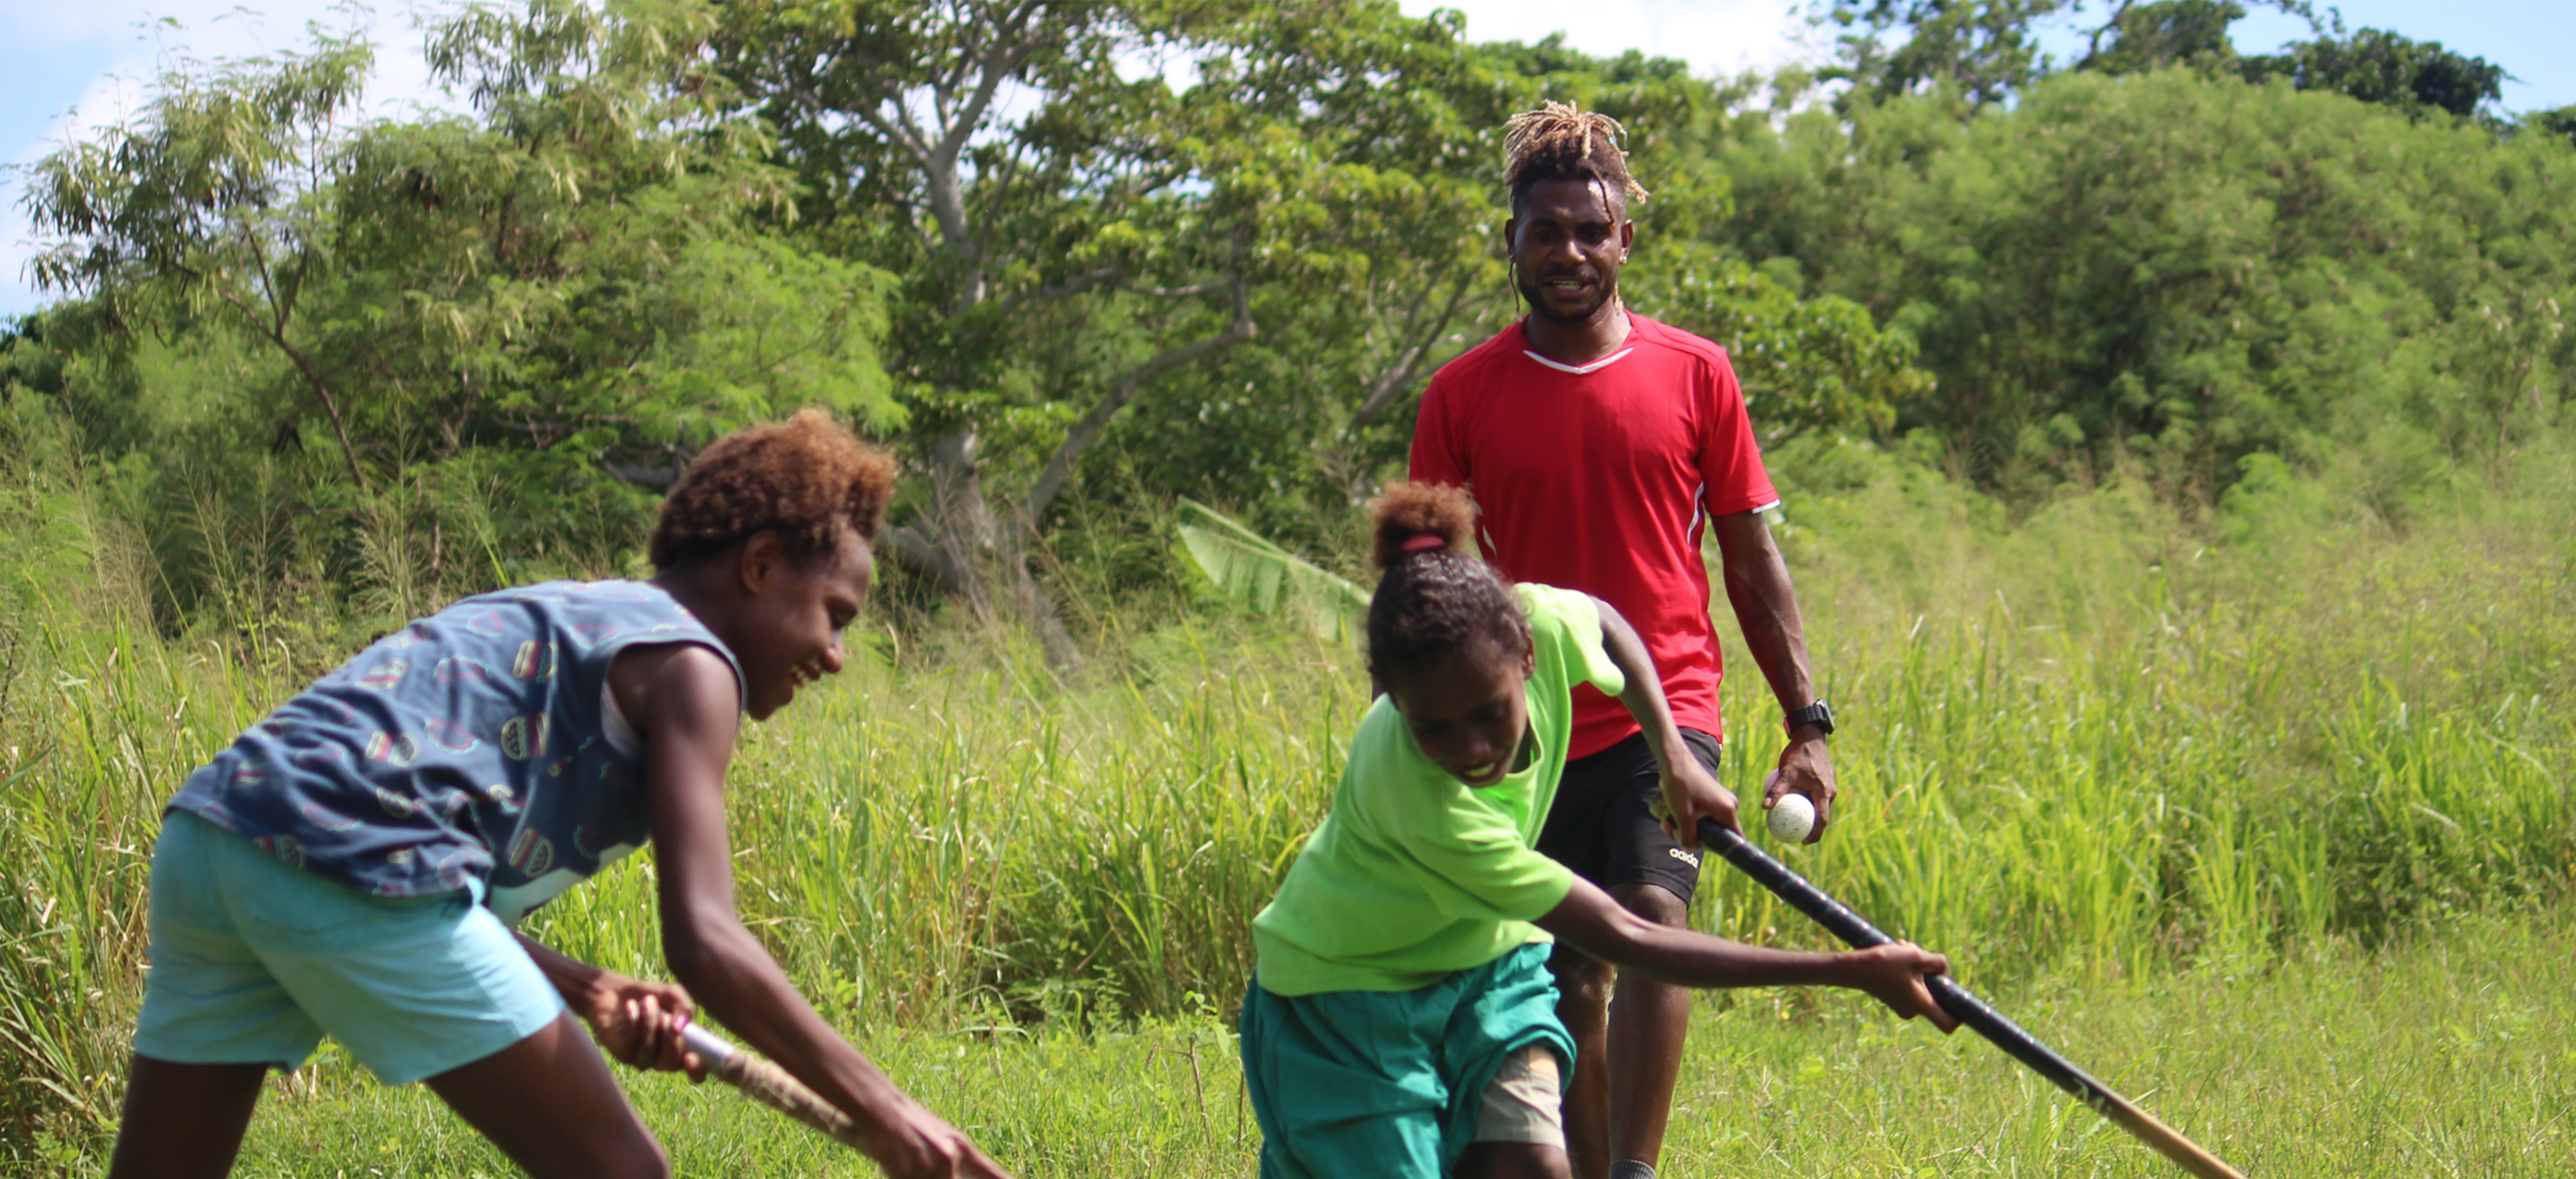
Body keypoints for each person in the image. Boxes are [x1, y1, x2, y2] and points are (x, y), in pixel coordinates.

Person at [107, 411, 1012, 1179]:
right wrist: (887, 1108)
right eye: (836, 616)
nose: (837, 653)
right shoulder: (699, 668)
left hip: (217, 835)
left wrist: (587, 989)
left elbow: (412, 862)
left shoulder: (586, 611)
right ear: (762, 564)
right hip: (355, 864)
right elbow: (708, 939)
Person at [1240, 483, 1952, 1179]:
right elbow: (1626, 938)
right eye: (1435, 728)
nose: (1472, 748)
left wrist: (1674, 756)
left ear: (1526, 657)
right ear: (1396, 703)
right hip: (1344, 1000)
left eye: (1490, 712)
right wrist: (1851, 971)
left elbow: (1606, 622)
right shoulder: (1427, 806)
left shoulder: (1540, 623)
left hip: (1486, 963)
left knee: (1533, 1165)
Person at [1409, 101, 1846, 1179]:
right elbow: (1426, 584)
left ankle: (1636, 1172)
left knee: (1654, 911)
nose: (1569, 251)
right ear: (1510, 241)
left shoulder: (1696, 373)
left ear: (1625, 240)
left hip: (1668, 709)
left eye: (1590, 230)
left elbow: (1750, 561)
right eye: (1545, 230)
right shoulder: (1461, 394)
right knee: (1569, 978)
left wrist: (1808, 723)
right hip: (1528, 727)